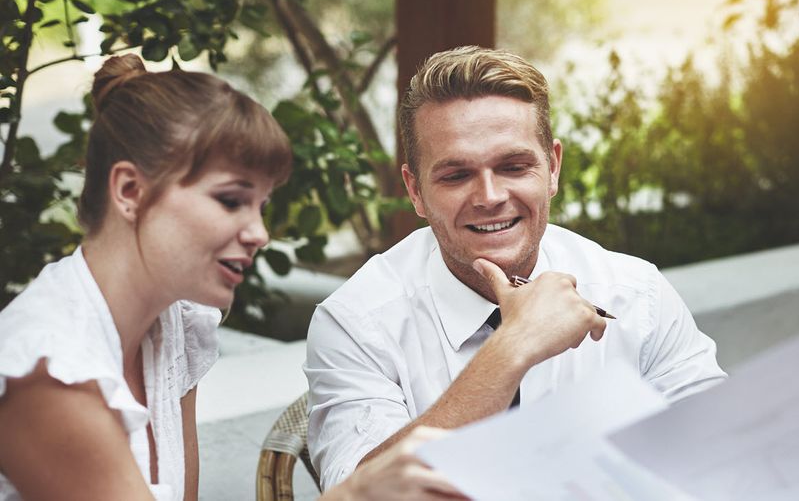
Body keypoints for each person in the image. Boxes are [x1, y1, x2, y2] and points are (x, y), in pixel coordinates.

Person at [0, 55, 464, 501]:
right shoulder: (50, 372)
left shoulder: (176, 320)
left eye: (261, 206)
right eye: (230, 200)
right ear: (129, 191)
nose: (260, 234)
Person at [305, 45, 726, 491]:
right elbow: (361, 495)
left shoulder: (636, 293)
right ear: (415, 191)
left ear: (553, 169)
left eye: (513, 166)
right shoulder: (355, 322)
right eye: (455, 175)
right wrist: (513, 347)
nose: (489, 196)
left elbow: (721, 448)